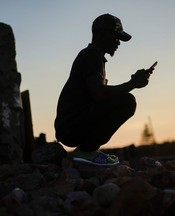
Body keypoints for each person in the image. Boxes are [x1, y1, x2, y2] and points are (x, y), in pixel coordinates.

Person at [54, 13, 156, 166]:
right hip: (70, 127)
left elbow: (98, 94)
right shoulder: (91, 56)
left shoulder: (94, 57)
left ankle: (87, 151)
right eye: (116, 37)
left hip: (72, 124)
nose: (118, 43)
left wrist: (132, 82)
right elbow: (100, 94)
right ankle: (87, 152)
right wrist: (132, 84)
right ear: (102, 34)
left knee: (122, 99)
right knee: (127, 102)